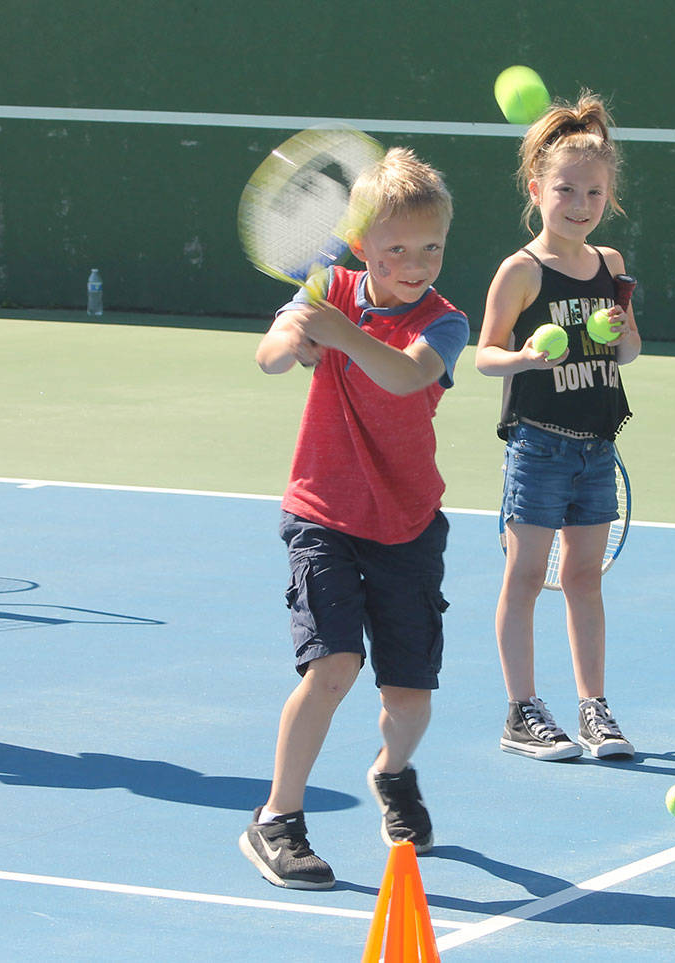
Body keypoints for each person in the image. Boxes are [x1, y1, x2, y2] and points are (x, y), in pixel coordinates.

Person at [239, 147, 468, 889]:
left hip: (407, 523)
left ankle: (393, 772)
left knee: (409, 700)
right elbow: (270, 355)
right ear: (362, 244)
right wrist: (294, 340)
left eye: (430, 246)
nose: (415, 262)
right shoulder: (326, 287)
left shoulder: (447, 322)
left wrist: (339, 335)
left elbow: (405, 377)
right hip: (323, 513)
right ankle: (278, 819)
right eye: (397, 247)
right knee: (333, 666)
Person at [475, 92, 641, 762]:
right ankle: (523, 709)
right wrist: (523, 356)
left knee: (584, 577)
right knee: (525, 575)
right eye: (566, 189)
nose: (580, 203)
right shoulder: (520, 270)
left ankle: (594, 708)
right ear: (537, 188)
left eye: (594, 192)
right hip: (538, 443)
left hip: (597, 445)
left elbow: (626, 351)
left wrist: (626, 332)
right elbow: (485, 353)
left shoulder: (611, 266)